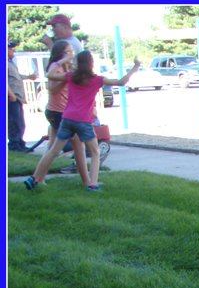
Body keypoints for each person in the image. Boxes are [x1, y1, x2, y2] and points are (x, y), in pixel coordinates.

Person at [24, 51, 139, 192]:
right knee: (95, 152)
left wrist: (61, 61)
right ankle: (92, 185)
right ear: (91, 64)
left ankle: (33, 178)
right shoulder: (97, 80)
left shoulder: (71, 76)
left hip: (67, 118)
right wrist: (135, 67)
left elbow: (49, 75)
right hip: (83, 121)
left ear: (77, 63)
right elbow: (121, 82)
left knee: (53, 150)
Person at [43, 40, 90, 187]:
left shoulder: (67, 67)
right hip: (57, 112)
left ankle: (38, 178)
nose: (71, 54)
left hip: (61, 112)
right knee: (77, 146)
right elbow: (52, 89)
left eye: (72, 52)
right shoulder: (56, 67)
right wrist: (65, 78)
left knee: (53, 147)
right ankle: (87, 182)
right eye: (68, 52)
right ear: (61, 54)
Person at [7, 40, 36, 152]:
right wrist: (11, 94)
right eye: (10, 49)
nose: (13, 50)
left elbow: (15, 77)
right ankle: (14, 144)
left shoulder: (11, 63)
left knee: (20, 122)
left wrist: (28, 77)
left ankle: (20, 143)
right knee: (14, 122)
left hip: (18, 97)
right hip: (11, 97)